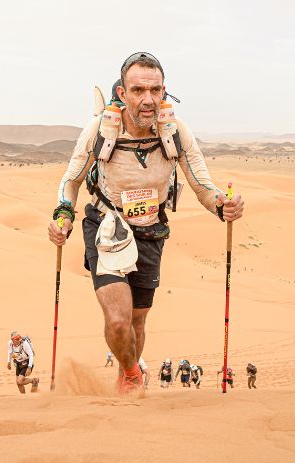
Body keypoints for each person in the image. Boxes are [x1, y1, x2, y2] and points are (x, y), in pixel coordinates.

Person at [47, 52, 245, 395]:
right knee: (118, 321)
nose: (148, 99)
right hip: (106, 227)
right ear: (122, 93)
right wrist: (63, 215)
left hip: (151, 231)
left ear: (163, 91)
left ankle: (126, 376)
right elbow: (72, 180)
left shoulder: (175, 131)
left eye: (155, 90)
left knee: (137, 321)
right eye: (138, 90)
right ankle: (131, 375)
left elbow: (201, 184)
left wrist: (221, 204)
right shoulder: (100, 129)